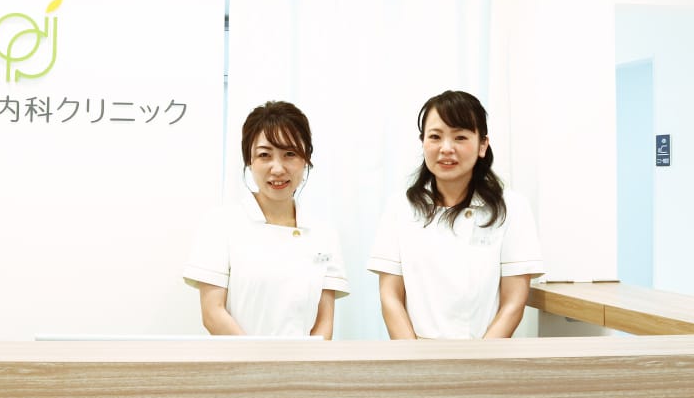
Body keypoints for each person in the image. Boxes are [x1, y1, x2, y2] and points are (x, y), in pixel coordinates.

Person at [369, 90, 543, 339]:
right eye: (435, 137)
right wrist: (411, 355)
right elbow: (390, 297)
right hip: (414, 352)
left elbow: (513, 304)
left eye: (460, 137)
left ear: (482, 145)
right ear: (423, 142)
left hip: (486, 352)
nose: (446, 148)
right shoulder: (400, 207)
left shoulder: (512, 208)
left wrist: (480, 358)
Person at [184, 101, 348, 338]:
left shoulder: (324, 234)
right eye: (264, 155)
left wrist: (305, 360)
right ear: (249, 161)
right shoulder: (220, 224)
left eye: (290, 154)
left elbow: (324, 322)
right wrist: (259, 358)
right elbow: (213, 313)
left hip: (305, 361)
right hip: (239, 359)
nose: (278, 169)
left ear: (306, 159)